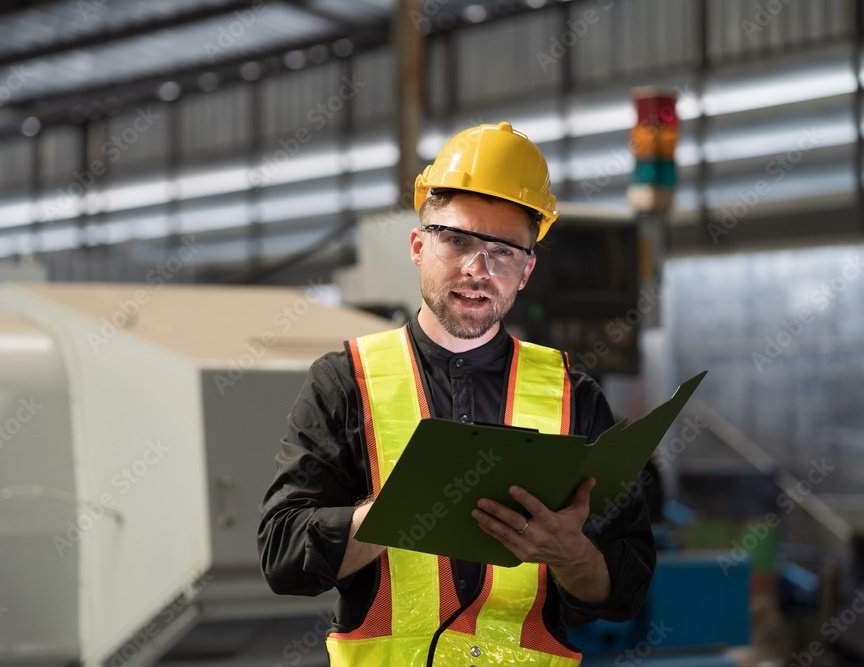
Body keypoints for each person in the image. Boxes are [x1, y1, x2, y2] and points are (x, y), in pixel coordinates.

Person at [257, 122, 656, 666]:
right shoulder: (345, 381)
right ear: (419, 245)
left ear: (527, 270)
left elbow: (625, 590)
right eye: (458, 240)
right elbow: (282, 555)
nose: (478, 269)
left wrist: (571, 554)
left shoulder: (573, 396)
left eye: (504, 251)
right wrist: (399, 511)